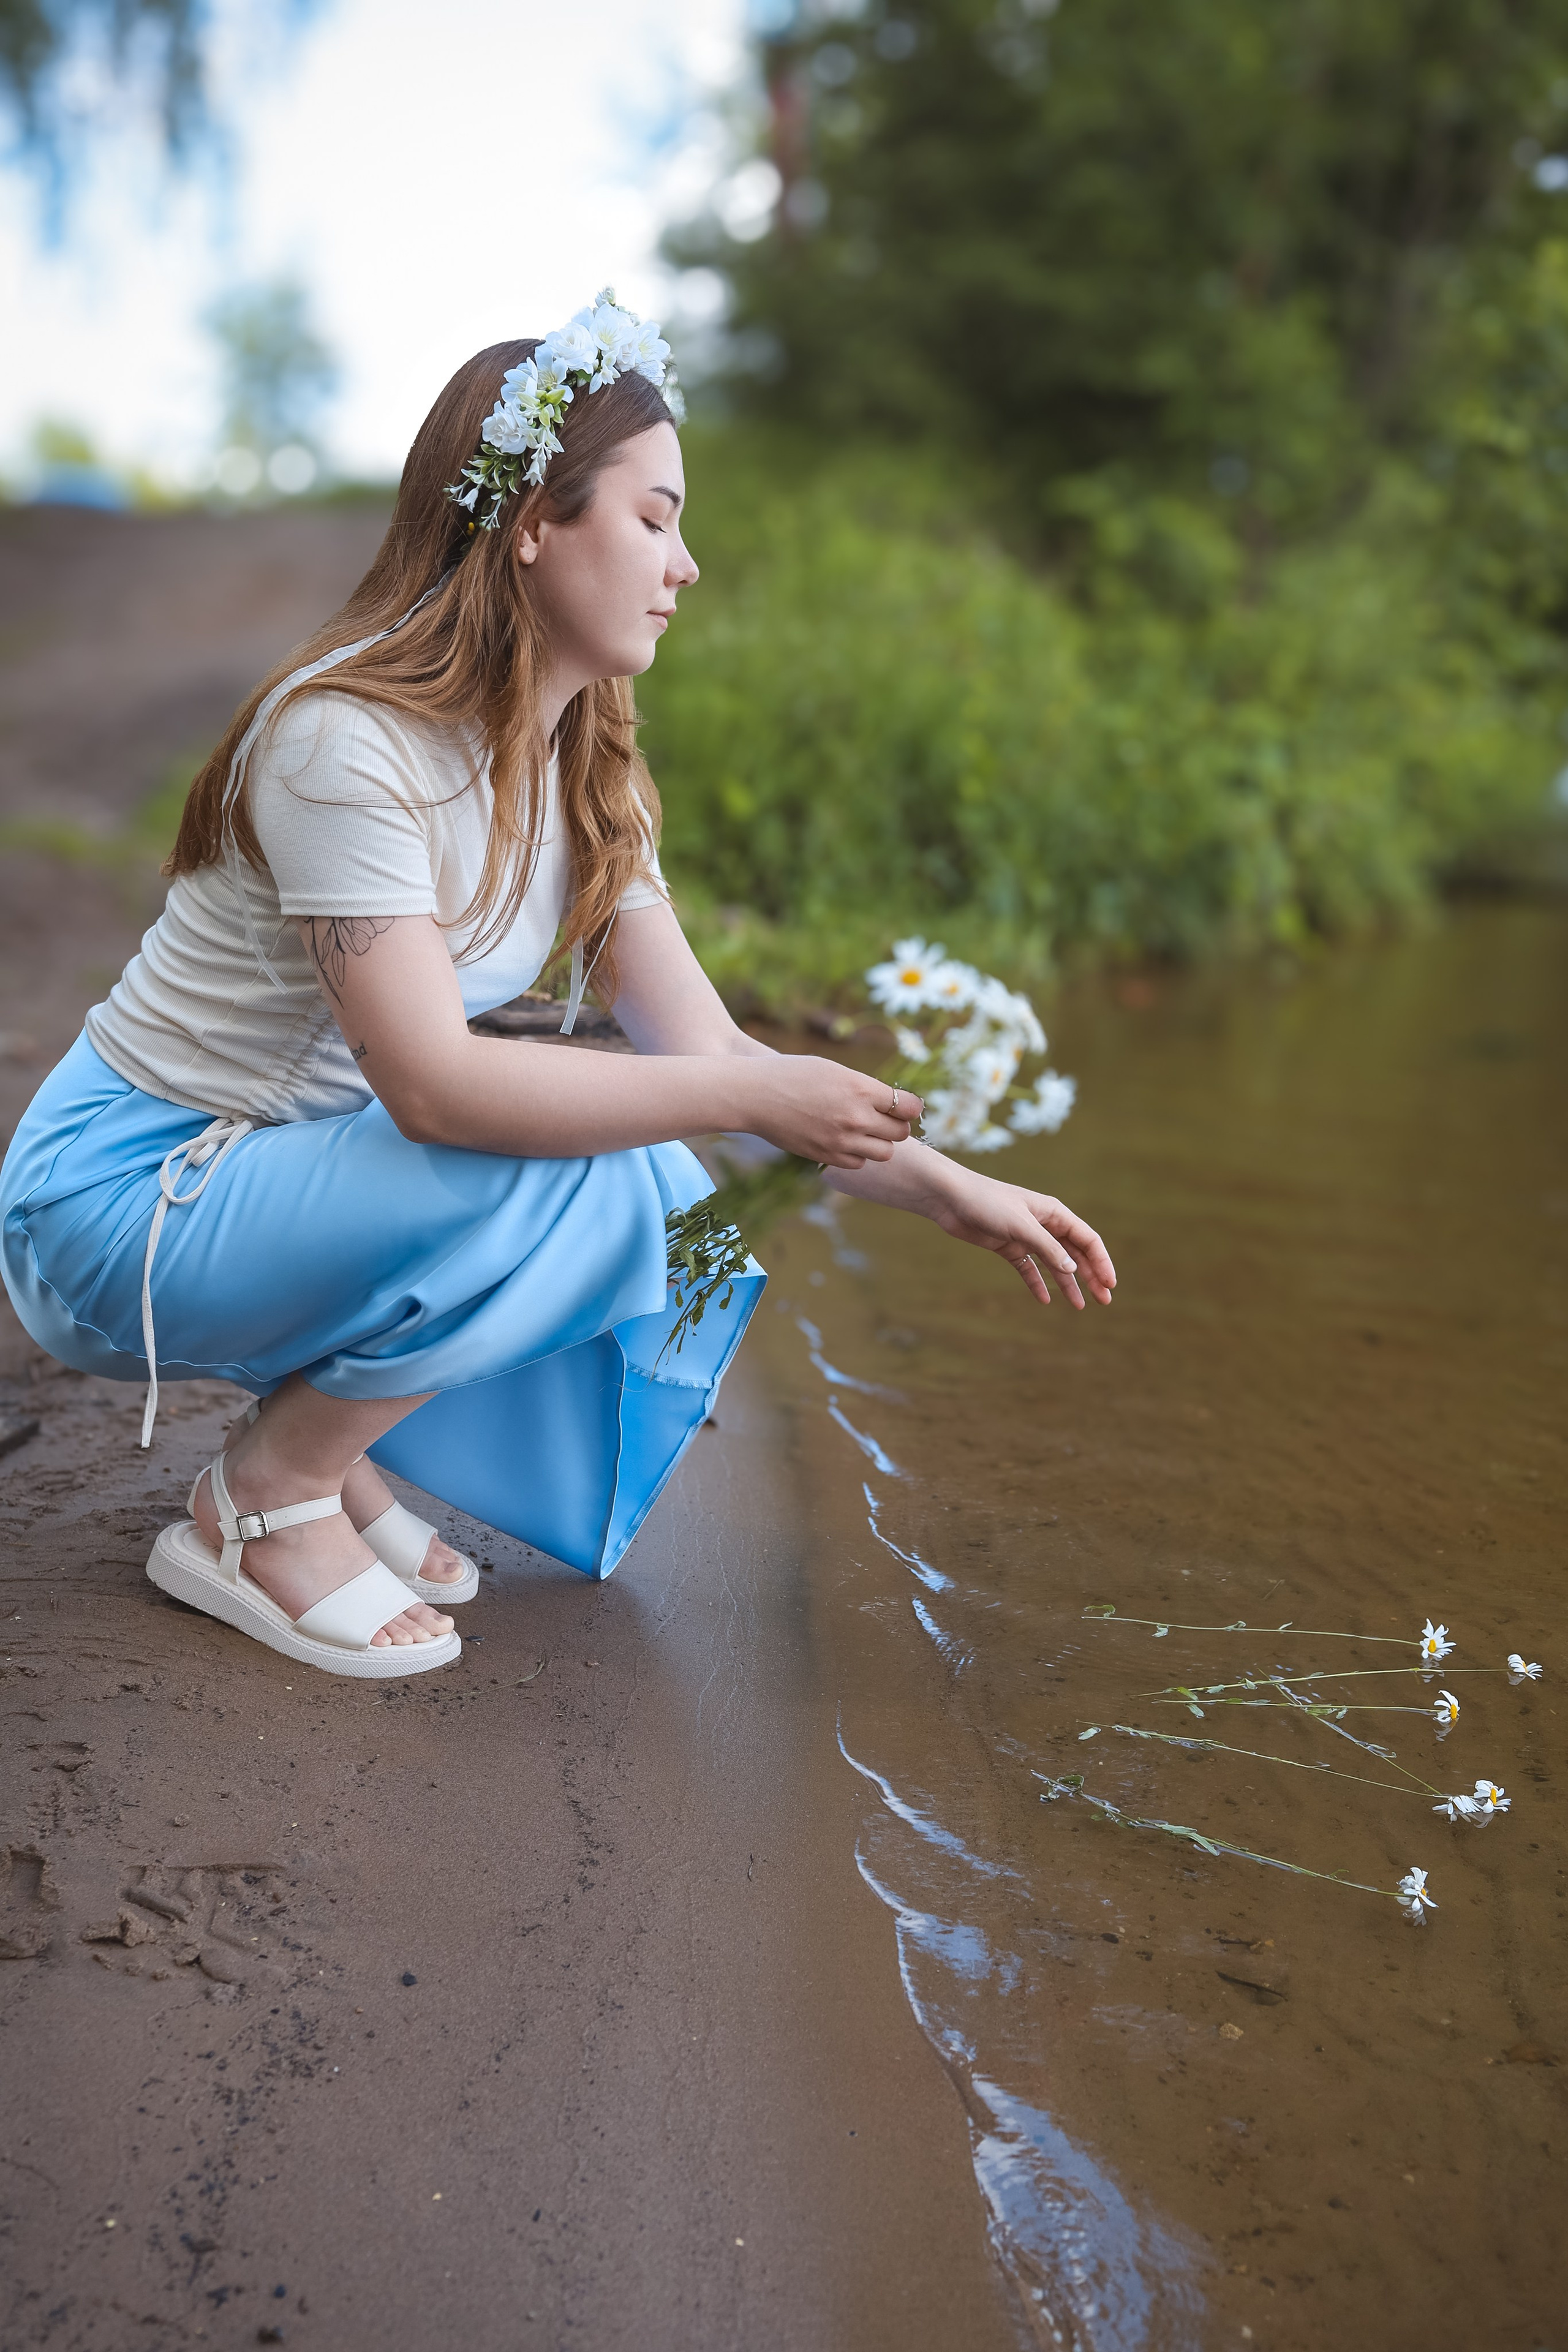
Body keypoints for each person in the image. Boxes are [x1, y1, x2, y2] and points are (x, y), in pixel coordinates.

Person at [0, 290, 1115, 1682]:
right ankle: (266, 1498)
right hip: (115, 1209)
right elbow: (435, 1087)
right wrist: (729, 1093)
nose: (686, 565)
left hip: (276, 1179)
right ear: (533, 523)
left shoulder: (584, 778)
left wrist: (949, 1187)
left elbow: (702, 1048)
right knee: (601, 1170)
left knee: (674, 1195)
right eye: (654, 519)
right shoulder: (341, 739)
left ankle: (321, 1442)